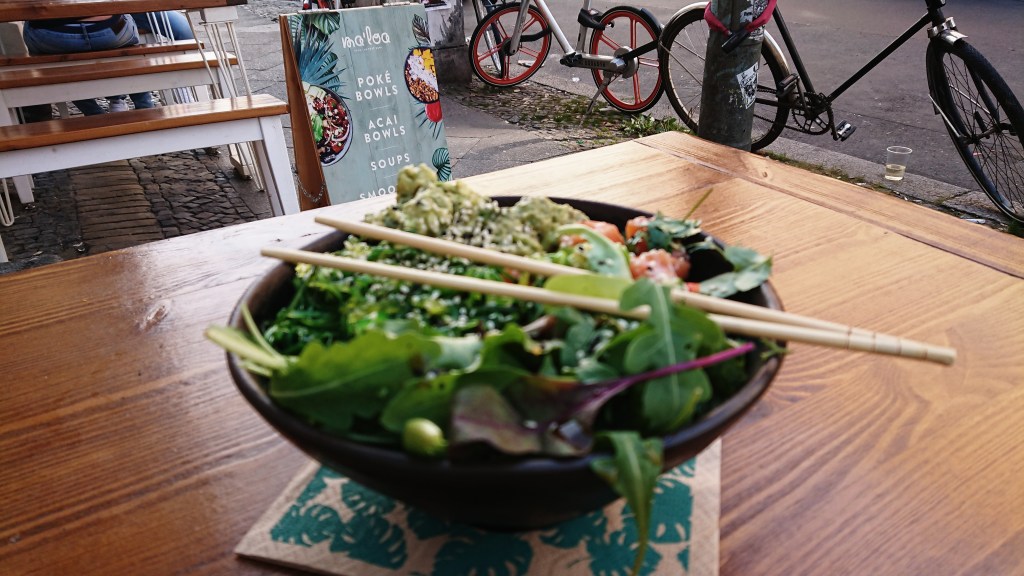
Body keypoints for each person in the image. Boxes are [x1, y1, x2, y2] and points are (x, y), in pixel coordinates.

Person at [20, 15, 154, 121]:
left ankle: (95, 115)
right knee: (129, 42)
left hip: (53, 36)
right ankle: (144, 107)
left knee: (54, 64)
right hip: (110, 30)